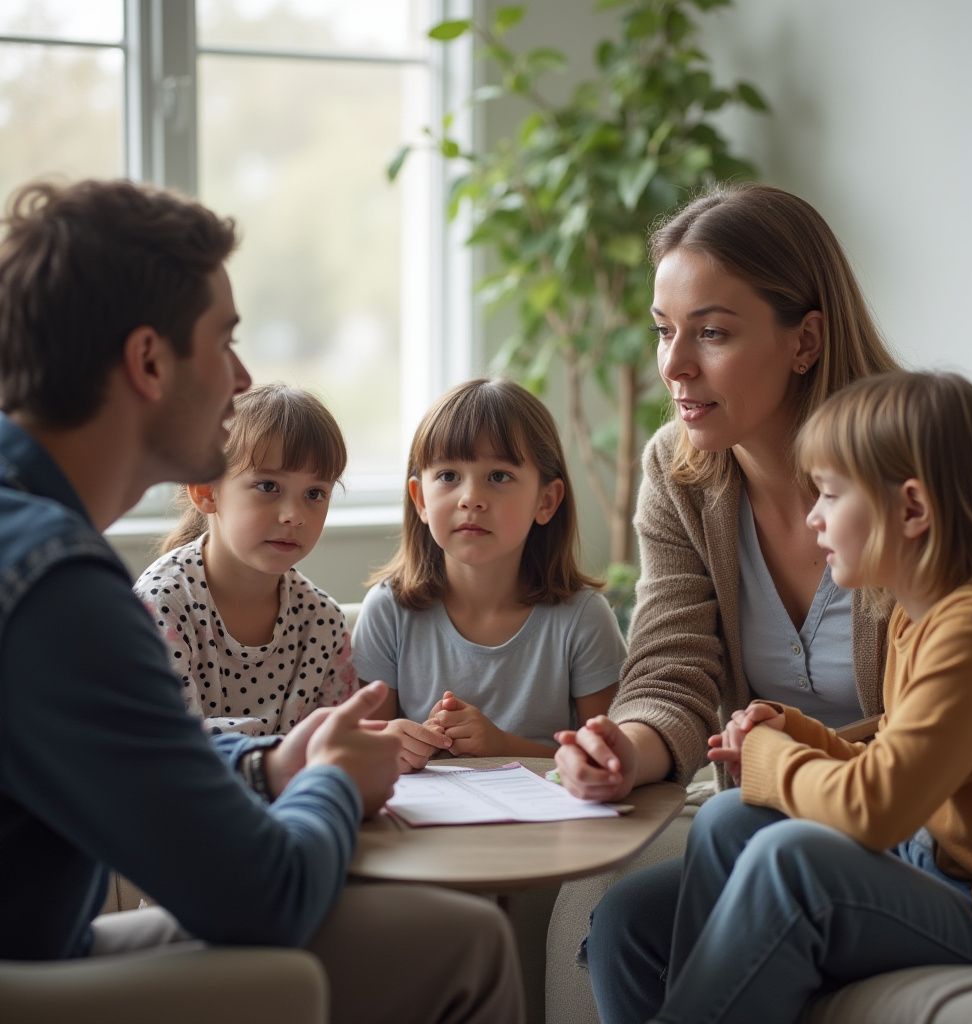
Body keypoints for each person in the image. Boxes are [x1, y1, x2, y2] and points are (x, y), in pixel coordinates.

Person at [0, 178, 523, 1024]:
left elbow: (139, 744)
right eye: (225, 340)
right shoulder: (60, 588)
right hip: (34, 988)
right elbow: (267, 898)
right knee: (465, 945)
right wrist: (331, 783)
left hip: (38, 957)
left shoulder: (31, 542)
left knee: (459, 936)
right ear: (148, 362)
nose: (241, 376)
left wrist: (265, 763)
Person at [553, 181, 972, 802]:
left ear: (805, 340)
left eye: (712, 333)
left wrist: (780, 757)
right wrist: (625, 748)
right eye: (664, 331)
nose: (673, 366)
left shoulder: (938, 475)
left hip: (929, 828)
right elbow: (671, 668)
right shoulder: (676, 472)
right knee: (617, 900)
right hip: (766, 802)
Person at [589, 370, 972, 1023]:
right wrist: (798, 735)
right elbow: (895, 753)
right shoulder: (917, 615)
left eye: (829, 494)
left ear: (911, 510)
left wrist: (768, 756)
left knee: (790, 862)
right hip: (929, 862)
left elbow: (878, 807)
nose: (813, 517)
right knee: (701, 845)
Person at [354, 377, 625, 772]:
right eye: (448, 476)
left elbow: (609, 760)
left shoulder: (583, 618)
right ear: (420, 500)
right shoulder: (387, 611)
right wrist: (393, 744)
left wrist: (501, 745)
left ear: (546, 501)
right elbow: (360, 749)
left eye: (499, 476)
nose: (471, 498)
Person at [135, 383, 357, 735]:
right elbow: (169, 749)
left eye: (315, 493)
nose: (294, 515)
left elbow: (337, 748)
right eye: (268, 487)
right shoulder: (163, 605)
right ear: (207, 491)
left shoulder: (323, 623)